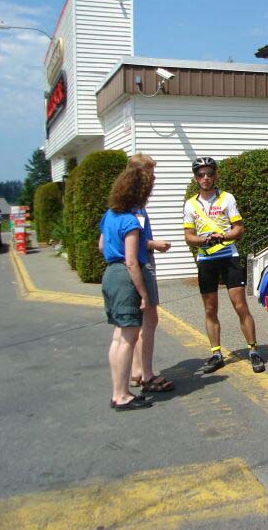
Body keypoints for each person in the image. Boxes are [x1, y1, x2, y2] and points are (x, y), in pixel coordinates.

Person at [183, 156, 265, 374]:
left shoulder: (227, 198)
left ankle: (253, 350)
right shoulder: (190, 204)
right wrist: (204, 240)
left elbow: (239, 229)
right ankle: (216, 354)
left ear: (215, 176)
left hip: (229, 257)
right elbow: (189, 236)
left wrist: (223, 236)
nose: (206, 178)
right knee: (210, 308)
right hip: (206, 260)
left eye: (210, 173)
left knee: (240, 306)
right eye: (201, 174)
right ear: (196, 178)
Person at [99, 167, 155, 410]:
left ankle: (118, 391)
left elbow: (101, 246)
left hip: (110, 273)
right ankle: (121, 395)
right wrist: (143, 293)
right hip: (125, 276)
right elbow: (132, 261)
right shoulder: (130, 221)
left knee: (118, 336)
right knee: (129, 339)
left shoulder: (109, 215)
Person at [125, 154, 174, 393]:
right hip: (142, 265)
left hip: (137, 264)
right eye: (150, 175)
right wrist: (155, 244)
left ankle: (136, 370)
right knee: (149, 320)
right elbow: (130, 242)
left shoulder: (127, 204)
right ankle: (147, 374)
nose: (153, 180)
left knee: (138, 321)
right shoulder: (134, 208)